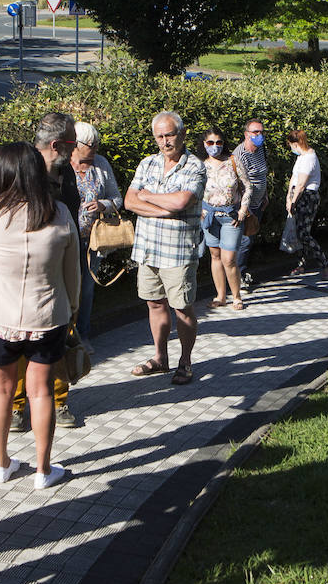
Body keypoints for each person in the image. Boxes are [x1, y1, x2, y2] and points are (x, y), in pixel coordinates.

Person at [0, 143, 80, 491]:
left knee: (0, 390)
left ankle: (1, 464)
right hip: (47, 315)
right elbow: (72, 275)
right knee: (41, 392)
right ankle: (43, 470)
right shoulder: (60, 215)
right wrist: (73, 308)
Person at [125, 111, 207, 386]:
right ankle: (160, 358)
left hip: (178, 250)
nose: (164, 141)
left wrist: (147, 197)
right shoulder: (147, 163)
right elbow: (129, 201)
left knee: (182, 307)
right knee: (154, 302)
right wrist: (160, 208)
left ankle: (185, 362)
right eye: (159, 136)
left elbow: (182, 202)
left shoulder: (195, 166)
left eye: (169, 134)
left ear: (182, 134)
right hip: (148, 248)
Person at [13, 113, 82, 432]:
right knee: (14, 342)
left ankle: (59, 400)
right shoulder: (22, 166)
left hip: (59, 269)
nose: (75, 148)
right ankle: (16, 407)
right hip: (22, 272)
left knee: (61, 338)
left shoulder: (65, 170)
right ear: (56, 144)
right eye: (71, 142)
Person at [70, 121, 122, 337]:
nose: (94, 151)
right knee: (66, 288)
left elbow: (117, 198)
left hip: (93, 239)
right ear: (75, 144)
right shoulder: (62, 165)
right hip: (67, 239)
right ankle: (64, 337)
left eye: (96, 146)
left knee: (87, 289)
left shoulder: (101, 164)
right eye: (90, 147)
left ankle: (82, 335)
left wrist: (104, 204)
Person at [198, 126, 252, 308]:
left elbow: (247, 187)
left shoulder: (233, 161)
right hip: (209, 216)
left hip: (231, 216)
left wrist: (243, 211)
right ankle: (220, 296)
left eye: (219, 142)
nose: (215, 146)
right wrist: (199, 211)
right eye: (210, 142)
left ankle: (236, 296)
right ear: (204, 144)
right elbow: (192, 191)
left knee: (229, 258)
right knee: (215, 256)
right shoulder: (199, 164)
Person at [284, 130, 328, 279]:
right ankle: (301, 264)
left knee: (303, 233)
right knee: (299, 232)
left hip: (307, 197)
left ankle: (325, 263)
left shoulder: (309, 158)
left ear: (296, 144)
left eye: (291, 145)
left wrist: (293, 201)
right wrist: (288, 197)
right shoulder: (301, 157)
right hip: (297, 196)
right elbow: (294, 177)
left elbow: (301, 184)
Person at [231, 119, 270, 289]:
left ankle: (241, 272)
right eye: (255, 132)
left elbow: (262, 174)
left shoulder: (261, 149)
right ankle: (237, 277)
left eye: (261, 132)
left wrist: (265, 194)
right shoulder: (240, 154)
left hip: (259, 203)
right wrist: (245, 209)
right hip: (246, 206)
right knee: (245, 241)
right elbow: (238, 184)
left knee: (249, 239)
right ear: (246, 134)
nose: (259, 135)